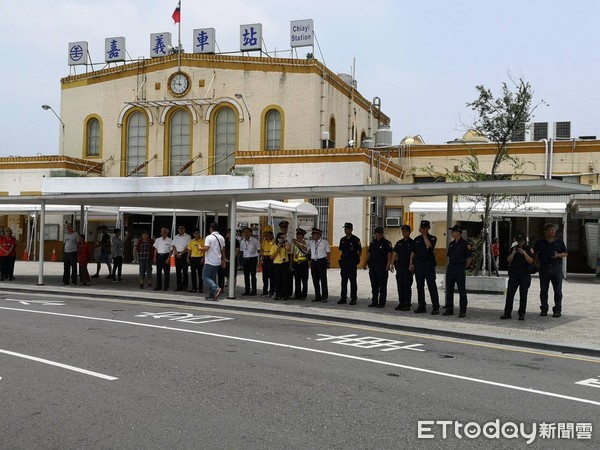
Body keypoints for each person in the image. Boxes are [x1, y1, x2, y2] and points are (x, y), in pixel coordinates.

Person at [534, 223, 568, 318]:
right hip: (544, 268)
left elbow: (565, 253)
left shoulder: (559, 241)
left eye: (554, 230)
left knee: (558, 291)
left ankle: (557, 309)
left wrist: (558, 256)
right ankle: (544, 309)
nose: (553, 231)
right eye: (551, 229)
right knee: (544, 290)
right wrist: (537, 263)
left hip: (556, 267)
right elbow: (535, 254)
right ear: (546, 231)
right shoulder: (540, 242)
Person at [501, 233, 535, 320]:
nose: (520, 243)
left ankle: (521, 313)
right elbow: (509, 260)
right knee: (510, 294)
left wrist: (524, 253)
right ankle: (507, 312)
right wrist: (513, 253)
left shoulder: (528, 249)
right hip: (514, 273)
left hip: (524, 273)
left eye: (521, 241)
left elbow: (531, 261)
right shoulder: (513, 248)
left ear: (524, 241)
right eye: (518, 241)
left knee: (523, 294)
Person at [410, 220, 440, 314]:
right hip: (419, 265)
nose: (422, 229)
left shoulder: (432, 238)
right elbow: (413, 252)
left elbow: (429, 246)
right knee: (420, 286)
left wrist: (424, 235)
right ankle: (421, 306)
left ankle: (435, 307)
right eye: (421, 228)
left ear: (428, 228)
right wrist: (411, 264)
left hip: (428, 265)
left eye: (424, 228)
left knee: (431, 286)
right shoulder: (416, 239)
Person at [443, 225, 473, 318]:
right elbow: (449, 256)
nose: (452, 233)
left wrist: (464, 267)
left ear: (458, 233)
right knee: (449, 289)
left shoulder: (465, 244)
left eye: (453, 231)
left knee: (461, 290)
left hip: (459, 268)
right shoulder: (451, 244)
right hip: (451, 267)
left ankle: (462, 310)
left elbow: (469, 258)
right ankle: (449, 308)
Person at [364, 226, 393, 308]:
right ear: (375, 234)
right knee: (374, 285)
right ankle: (374, 301)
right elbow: (369, 253)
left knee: (382, 285)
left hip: (382, 267)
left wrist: (389, 264)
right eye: (378, 233)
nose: (380, 234)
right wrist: (365, 263)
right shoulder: (373, 243)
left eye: (381, 233)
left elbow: (389, 254)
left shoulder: (387, 243)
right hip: (373, 266)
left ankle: (382, 302)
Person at [338, 222, 362, 305]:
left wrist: (357, 258)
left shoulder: (356, 239)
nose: (346, 230)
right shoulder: (343, 240)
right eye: (345, 229)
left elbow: (360, 250)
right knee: (343, 281)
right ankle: (343, 298)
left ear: (351, 229)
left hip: (352, 263)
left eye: (348, 229)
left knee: (353, 281)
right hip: (344, 263)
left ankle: (353, 298)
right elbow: (341, 251)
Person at [392, 224, 414, 311]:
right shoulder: (399, 243)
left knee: (407, 286)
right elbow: (395, 253)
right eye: (403, 231)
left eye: (406, 231)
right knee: (400, 286)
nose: (404, 233)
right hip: (399, 267)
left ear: (409, 232)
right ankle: (401, 302)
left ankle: (407, 303)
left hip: (407, 268)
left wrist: (411, 266)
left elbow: (413, 254)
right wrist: (391, 264)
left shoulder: (412, 243)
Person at [202, 222, 225, 300]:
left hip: (210, 260)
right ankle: (212, 294)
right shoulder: (221, 238)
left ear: (211, 228)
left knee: (205, 276)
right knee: (212, 277)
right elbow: (222, 250)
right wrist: (223, 260)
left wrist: (200, 248)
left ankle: (216, 288)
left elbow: (206, 249)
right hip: (217, 260)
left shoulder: (209, 237)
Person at [308, 227, 330, 302]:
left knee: (323, 279)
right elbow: (308, 249)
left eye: (314, 234)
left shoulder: (324, 242)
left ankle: (324, 296)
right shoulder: (311, 242)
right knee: (315, 279)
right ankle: (317, 296)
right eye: (312, 234)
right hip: (314, 261)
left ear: (318, 235)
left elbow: (328, 253)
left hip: (322, 261)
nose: (312, 236)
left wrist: (328, 262)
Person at [240, 227, 260, 296]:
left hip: (253, 259)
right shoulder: (242, 242)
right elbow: (241, 251)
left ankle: (254, 290)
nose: (246, 234)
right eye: (245, 232)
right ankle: (247, 290)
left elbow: (258, 250)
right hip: (245, 259)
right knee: (246, 275)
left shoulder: (255, 241)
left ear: (251, 233)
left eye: (248, 232)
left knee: (253, 275)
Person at [270, 231, 291, 300]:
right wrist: (277, 251)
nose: (281, 239)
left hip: (284, 264)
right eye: (280, 238)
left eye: (283, 237)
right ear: (277, 238)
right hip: (277, 264)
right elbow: (271, 257)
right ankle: (278, 294)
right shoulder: (274, 246)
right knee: (277, 280)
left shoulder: (285, 245)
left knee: (285, 280)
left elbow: (289, 249)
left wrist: (285, 240)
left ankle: (285, 295)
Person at [291, 228, 310, 300]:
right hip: (296, 264)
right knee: (297, 280)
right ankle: (297, 295)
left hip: (303, 264)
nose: (297, 236)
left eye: (298, 235)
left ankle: (304, 295)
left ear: (302, 236)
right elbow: (293, 254)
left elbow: (306, 250)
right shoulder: (294, 244)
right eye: (297, 235)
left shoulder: (306, 242)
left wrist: (297, 243)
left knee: (304, 280)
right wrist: (291, 264)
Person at [172, 225, 191, 291]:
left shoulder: (188, 236)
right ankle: (179, 286)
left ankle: (185, 286)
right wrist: (176, 253)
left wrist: (181, 253)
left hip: (184, 254)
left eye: (182, 228)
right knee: (178, 271)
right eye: (179, 228)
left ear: (184, 229)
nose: (180, 230)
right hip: (177, 254)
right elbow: (173, 246)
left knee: (185, 271)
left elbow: (187, 246)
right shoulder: (175, 237)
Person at [260, 226, 276, 297]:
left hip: (272, 260)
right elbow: (262, 249)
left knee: (272, 277)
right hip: (265, 259)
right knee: (265, 277)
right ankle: (265, 291)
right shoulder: (264, 241)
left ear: (271, 233)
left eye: (266, 233)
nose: (265, 235)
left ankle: (272, 291)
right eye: (264, 234)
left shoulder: (275, 241)